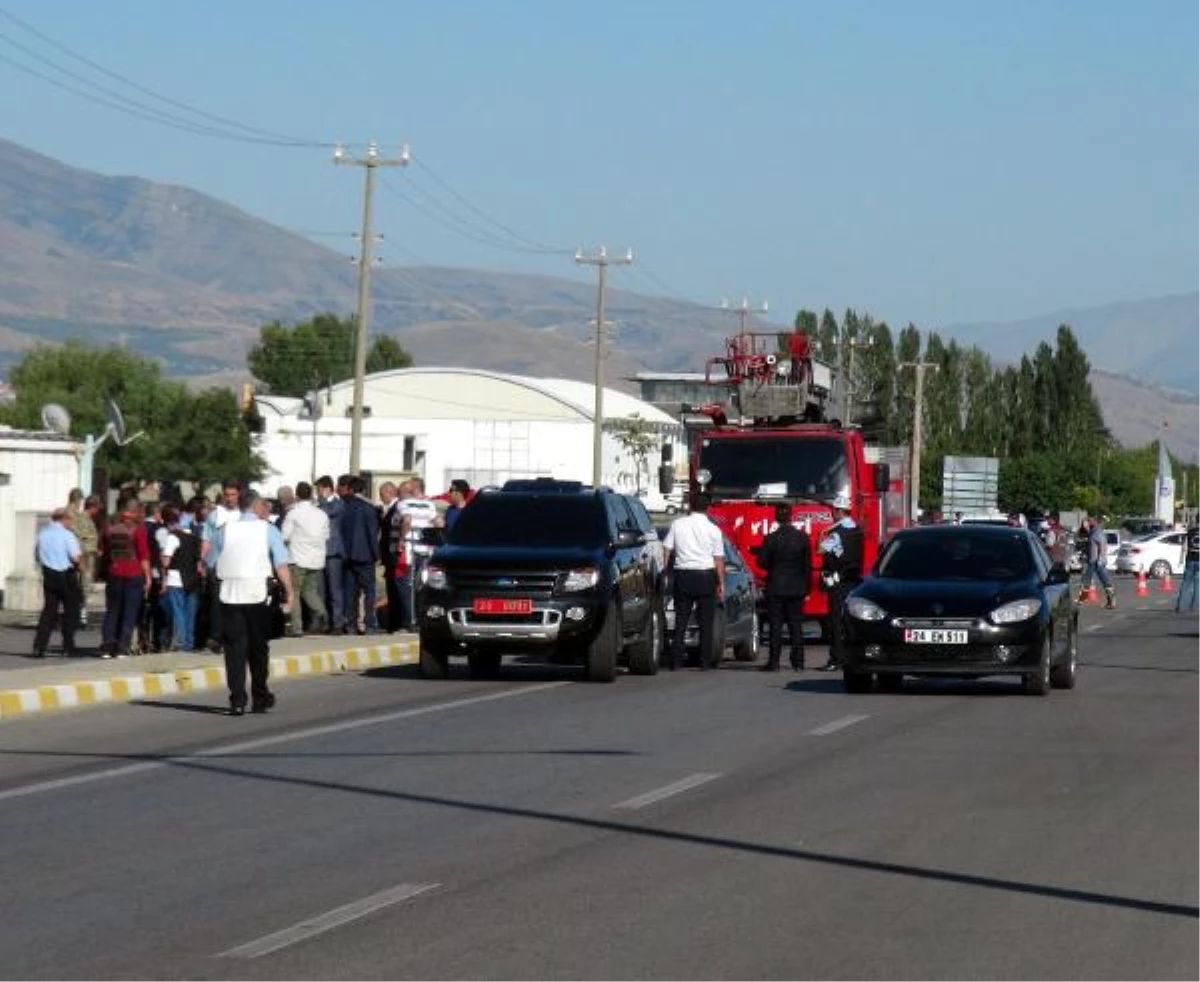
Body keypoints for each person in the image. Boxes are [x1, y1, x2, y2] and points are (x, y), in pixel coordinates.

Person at [214, 490, 293, 716]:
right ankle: (260, 696)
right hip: (258, 594)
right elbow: (280, 563)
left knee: (234, 649)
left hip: (229, 594)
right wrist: (289, 590)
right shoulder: (268, 529)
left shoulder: (224, 530)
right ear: (257, 506)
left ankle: (237, 699)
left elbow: (210, 560)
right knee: (258, 647)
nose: (267, 510)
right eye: (265, 506)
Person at [662, 495, 726, 671]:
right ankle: (704, 662)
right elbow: (718, 559)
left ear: (691, 506)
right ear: (708, 508)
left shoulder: (678, 524)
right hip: (706, 576)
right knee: (706, 622)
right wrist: (721, 582)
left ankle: (675, 661)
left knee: (681, 619)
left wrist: (665, 571)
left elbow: (667, 549)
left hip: (683, 575)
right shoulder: (714, 530)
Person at [755, 503, 812, 672]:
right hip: (797, 587)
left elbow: (762, 562)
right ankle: (799, 662)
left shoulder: (771, 538)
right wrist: (807, 588)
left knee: (775, 626)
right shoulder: (802, 537)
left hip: (776, 587)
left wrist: (773, 563)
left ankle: (774, 663)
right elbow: (807, 566)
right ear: (791, 516)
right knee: (796, 625)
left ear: (776, 518)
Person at [817, 491, 865, 671]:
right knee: (851, 621)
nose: (831, 513)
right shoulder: (857, 529)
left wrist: (823, 533)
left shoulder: (835, 532)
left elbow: (820, 551)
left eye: (833, 510)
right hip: (855, 581)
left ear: (838, 511)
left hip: (837, 582)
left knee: (835, 622)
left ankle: (836, 659)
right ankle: (853, 656)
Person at [98, 497, 152, 659]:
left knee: (112, 611)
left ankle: (107, 647)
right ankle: (122, 648)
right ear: (135, 512)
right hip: (133, 573)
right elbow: (144, 556)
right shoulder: (138, 530)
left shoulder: (110, 529)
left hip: (114, 573)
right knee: (129, 611)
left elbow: (104, 552)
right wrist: (148, 577)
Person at [32, 508, 84, 658]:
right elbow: (75, 557)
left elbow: (36, 555)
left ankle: (39, 646)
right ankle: (68, 646)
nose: (71, 523)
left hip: (49, 575)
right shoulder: (67, 535)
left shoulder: (41, 534)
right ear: (64, 519)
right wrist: (81, 569)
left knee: (49, 611)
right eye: (70, 520)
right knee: (71, 611)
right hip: (66, 575)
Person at [280, 481, 330, 635]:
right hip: (316, 559)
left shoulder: (293, 513)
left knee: (294, 592)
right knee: (310, 592)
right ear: (311, 495)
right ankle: (323, 614)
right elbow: (326, 535)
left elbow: (284, 536)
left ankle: (297, 627)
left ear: (296, 495)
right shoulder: (321, 514)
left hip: (297, 558)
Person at [201, 480, 242, 652]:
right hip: (216, 564)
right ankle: (216, 638)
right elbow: (206, 539)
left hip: (237, 565)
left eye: (233, 495)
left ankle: (233, 637)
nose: (230, 498)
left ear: (239, 495)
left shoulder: (244, 516)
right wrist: (202, 561)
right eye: (227, 495)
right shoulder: (215, 515)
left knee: (235, 603)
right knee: (216, 603)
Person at [339, 474, 380, 634]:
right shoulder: (368, 507)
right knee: (369, 591)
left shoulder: (343, 505)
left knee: (350, 591)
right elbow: (372, 533)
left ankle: (351, 624)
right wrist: (376, 554)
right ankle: (370, 624)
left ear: (350, 488)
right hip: (365, 555)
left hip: (347, 555)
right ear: (364, 489)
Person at [159, 505, 202, 652]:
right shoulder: (194, 537)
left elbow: (166, 561)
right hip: (193, 579)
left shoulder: (172, 537)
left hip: (176, 579)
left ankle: (181, 642)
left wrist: (162, 557)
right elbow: (198, 561)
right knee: (190, 613)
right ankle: (189, 642)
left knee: (179, 611)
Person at [316, 475, 346, 634]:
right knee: (322, 590)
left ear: (327, 488)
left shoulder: (338, 504)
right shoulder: (320, 504)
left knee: (335, 589)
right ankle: (325, 622)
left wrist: (321, 502)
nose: (318, 493)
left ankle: (338, 623)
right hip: (320, 552)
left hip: (333, 552)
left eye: (319, 489)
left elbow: (326, 513)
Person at [1078, 515, 1115, 609]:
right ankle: (1082, 599)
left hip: (1097, 561)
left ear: (1094, 521)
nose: (1086, 523)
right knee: (1087, 579)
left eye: (1088, 521)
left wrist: (1101, 560)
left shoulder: (1097, 532)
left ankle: (1111, 601)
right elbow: (1081, 536)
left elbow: (1102, 546)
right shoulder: (1092, 532)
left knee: (1105, 581)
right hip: (1092, 561)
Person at [1176, 518, 1200, 613]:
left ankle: (1180, 606)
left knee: (1185, 584)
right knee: (1198, 585)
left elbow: (1184, 547)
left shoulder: (1190, 532)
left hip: (1190, 560)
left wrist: (1181, 560)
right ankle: (1194, 607)